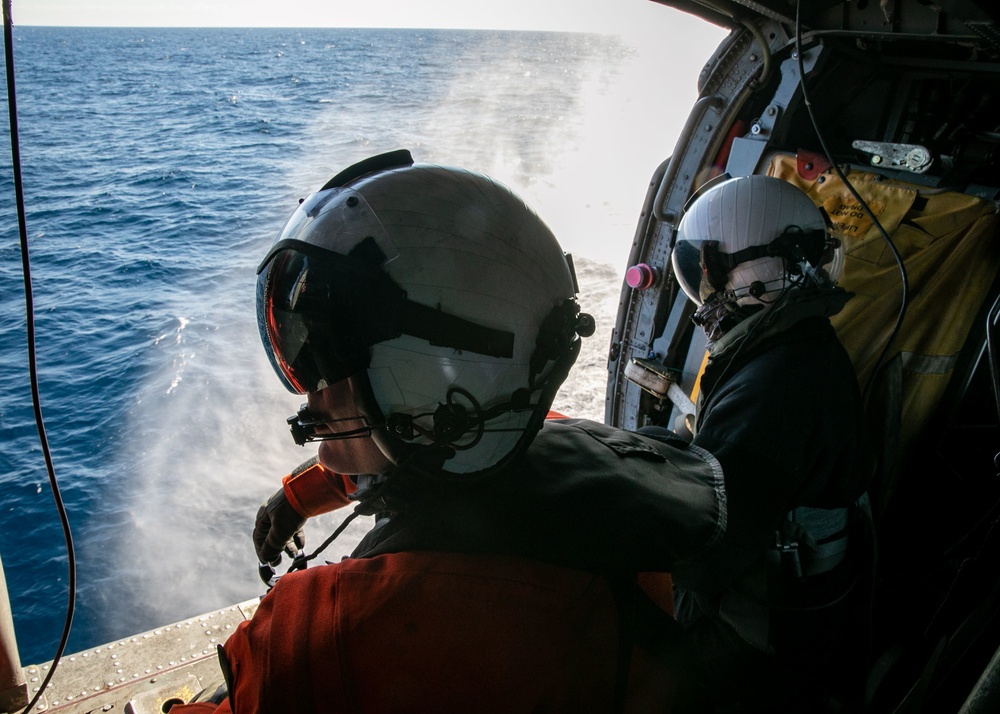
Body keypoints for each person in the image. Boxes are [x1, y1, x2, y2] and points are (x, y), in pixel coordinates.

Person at [171, 150, 732, 713]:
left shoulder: (328, 631)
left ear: (422, 372)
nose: (308, 392)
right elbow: (439, 447)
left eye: (320, 360)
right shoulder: (568, 448)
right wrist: (303, 494)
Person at [666, 175, 874, 711]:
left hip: (762, 643)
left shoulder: (771, 390)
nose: (705, 290)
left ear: (757, 271)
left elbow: (705, 559)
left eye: (709, 271)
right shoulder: (805, 340)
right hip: (816, 613)